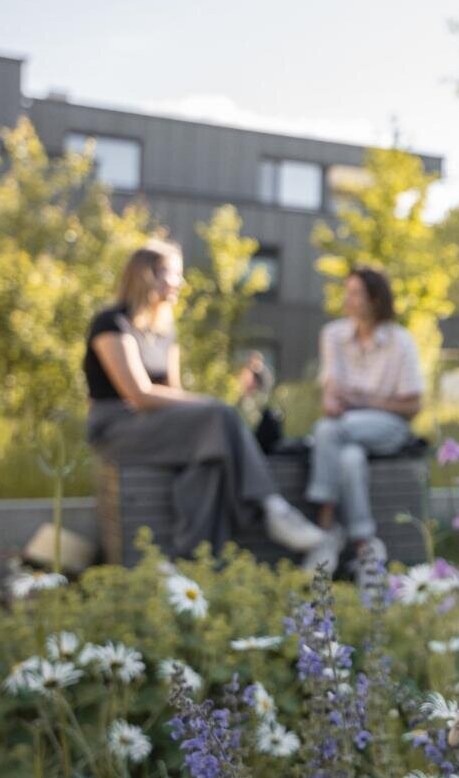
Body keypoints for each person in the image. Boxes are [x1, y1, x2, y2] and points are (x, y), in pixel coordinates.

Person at [84, 239, 326, 558]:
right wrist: (210, 405)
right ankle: (272, 508)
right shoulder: (112, 323)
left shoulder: (165, 332)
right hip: (118, 428)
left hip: (158, 426)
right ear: (148, 276)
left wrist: (206, 406)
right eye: (174, 275)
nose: (181, 284)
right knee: (219, 416)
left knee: (211, 457)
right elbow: (139, 394)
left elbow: (174, 393)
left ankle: (194, 557)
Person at [303, 266, 423, 572]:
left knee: (328, 430)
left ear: (375, 299)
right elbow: (330, 389)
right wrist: (331, 401)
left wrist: (365, 400)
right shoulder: (332, 335)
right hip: (347, 428)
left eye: (356, 293)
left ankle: (325, 529)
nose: (348, 299)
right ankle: (364, 548)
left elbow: (413, 405)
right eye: (348, 292)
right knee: (349, 459)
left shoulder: (401, 341)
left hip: (389, 425)